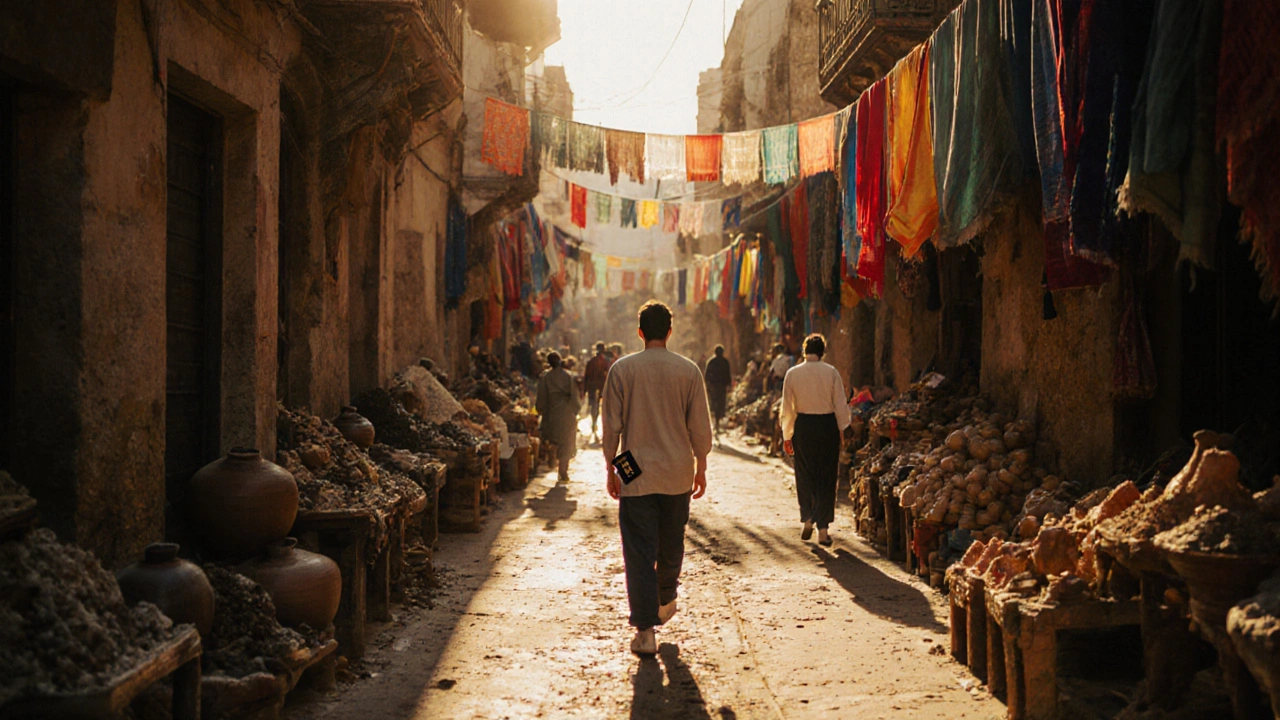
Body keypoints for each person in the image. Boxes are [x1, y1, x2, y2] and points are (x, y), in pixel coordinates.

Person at [602, 301, 713, 656]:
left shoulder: (622, 369)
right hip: (678, 471)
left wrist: (612, 469)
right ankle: (666, 596)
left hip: (634, 471)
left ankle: (645, 631)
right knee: (671, 542)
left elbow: (613, 427)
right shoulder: (688, 371)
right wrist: (701, 465)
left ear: (639, 332)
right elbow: (699, 426)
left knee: (638, 552)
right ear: (669, 332)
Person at [780, 334, 851, 547]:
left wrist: (787, 435)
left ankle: (808, 517)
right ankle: (823, 530)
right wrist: (844, 427)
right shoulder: (831, 372)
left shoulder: (793, 374)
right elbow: (840, 403)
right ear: (822, 352)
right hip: (827, 427)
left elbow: (787, 408)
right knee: (826, 477)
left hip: (803, 428)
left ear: (804, 351)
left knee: (804, 474)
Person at [536, 352, 581, 482]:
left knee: (552, 440)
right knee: (566, 442)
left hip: (552, 413)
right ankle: (563, 471)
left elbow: (542, 397)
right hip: (567, 413)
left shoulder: (545, 377)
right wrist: (575, 411)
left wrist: (541, 409)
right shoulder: (569, 376)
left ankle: (552, 460)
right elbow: (575, 397)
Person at [583, 342, 613, 442]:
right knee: (601, 407)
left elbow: (586, 376)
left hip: (593, 387)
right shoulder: (605, 361)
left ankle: (594, 423)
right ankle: (598, 425)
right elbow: (608, 373)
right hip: (601, 387)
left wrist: (584, 389)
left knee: (594, 407)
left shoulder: (592, 361)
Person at [703, 346, 732, 439]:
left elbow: (706, 376)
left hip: (714, 387)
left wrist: (707, 386)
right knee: (719, 405)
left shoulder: (711, 362)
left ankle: (716, 423)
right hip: (720, 387)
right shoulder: (724, 362)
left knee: (715, 405)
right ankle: (716, 423)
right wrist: (728, 385)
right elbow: (728, 376)